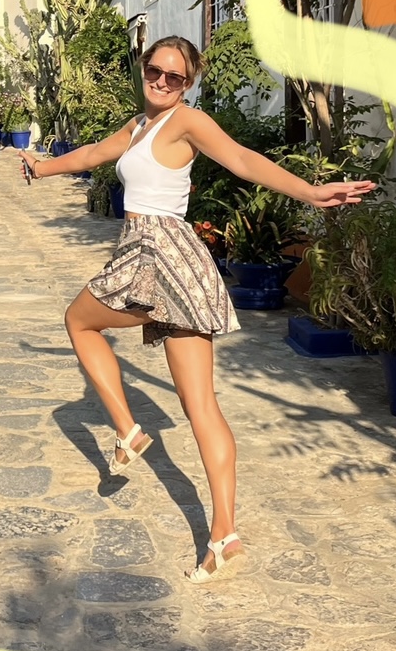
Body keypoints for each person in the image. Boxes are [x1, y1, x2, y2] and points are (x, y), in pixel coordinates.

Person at [19, 36, 375, 583]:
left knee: (79, 321)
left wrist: (310, 192)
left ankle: (128, 430)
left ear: (189, 83)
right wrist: (40, 168)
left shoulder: (187, 121)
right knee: (199, 404)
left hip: (156, 254)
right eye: (155, 71)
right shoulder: (139, 127)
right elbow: (91, 155)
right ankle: (224, 535)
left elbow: (241, 159)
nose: (162, 82)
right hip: (178, 261)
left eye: (175, 77)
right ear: (143, 68)